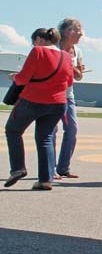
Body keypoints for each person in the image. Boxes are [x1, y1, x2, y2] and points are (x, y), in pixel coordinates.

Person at [4, 28, 73, 191]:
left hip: (32, 100)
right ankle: (45, 180)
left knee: (13, 130)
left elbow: (22, 79)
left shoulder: (37, 52)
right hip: (58, 103)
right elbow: (69, 82)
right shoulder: (67, 56)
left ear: (40, 40)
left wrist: (15, 77)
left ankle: (18, 168)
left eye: (33, 41)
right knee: (45, 138)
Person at [54, 18, 85, 179]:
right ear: (66, 32)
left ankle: (63, 167)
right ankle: (49, 167)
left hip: (68, 94)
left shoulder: (77, 51)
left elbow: (79, 76)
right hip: (51, 94)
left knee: (72, 129)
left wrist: (72, 66)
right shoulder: (54, 47)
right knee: (50, 131)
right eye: (77, 30)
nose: (81, 33)